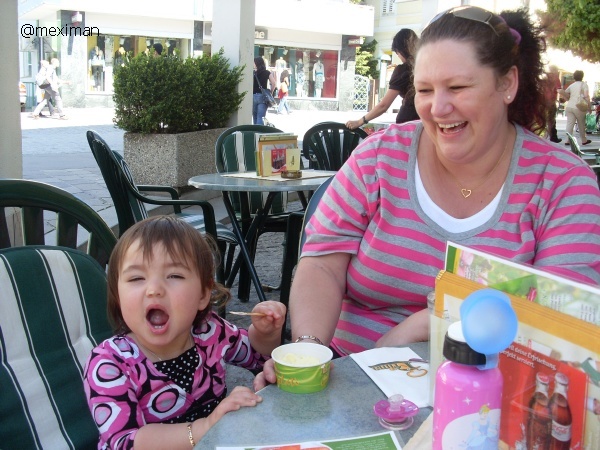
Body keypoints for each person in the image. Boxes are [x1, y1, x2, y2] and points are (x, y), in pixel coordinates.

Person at [255, 6, 600, 389]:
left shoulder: (563, 182)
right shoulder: (379, 157)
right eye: (424, 90)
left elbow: (562, 324)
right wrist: (310, 350)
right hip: (348, 379)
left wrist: (426, 324)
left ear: (507, 83)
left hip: (488, 393)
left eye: (458, 88)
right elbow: (322, 265)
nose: (438, 108)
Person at [84, 216, 285, 449]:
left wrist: (265, 334)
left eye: (174, 276)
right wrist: (205, 427)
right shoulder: (109, 364)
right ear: (118, 296)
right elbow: (125, 441)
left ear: (203, 294)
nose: (153, 290)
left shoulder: (209, 332)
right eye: (136, 278)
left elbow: (257, 358)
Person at [346, 29, 419, 130]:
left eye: (397, 53)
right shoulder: (426, 67)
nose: (398, 56)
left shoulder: (403, 71)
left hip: (407, 127)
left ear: (401, 50)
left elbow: (383, 105)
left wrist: (360, 121)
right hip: (425, 125)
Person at [559, 70, 591, 146]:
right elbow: (586, 96)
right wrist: (589, 106)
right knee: (581, 124)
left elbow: (565, 93)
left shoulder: (572, 85)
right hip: (579, 106)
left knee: (570, 124)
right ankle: (584, 140)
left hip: (569, 106)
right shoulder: (584, 85)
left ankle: (567, 140)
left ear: (574, 77)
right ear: (582, 76)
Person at [252, 56, 276, 126]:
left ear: (257, 63)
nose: (253, 64)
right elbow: (274, 83)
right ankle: (259, 131)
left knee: (255, 117)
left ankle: (255, 131)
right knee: (261, 117)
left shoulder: (253, 73)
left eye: (254, 62)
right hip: (262, 96)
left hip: (253, 96)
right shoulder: (267, 72)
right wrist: (270, 92)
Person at [543, 65, 562, 143]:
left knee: (543, 119)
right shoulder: (555, 78)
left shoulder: (544, 77)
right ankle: (552, 137)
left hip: (542, 100)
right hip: (551, 101)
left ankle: (544, 137)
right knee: (551, 120)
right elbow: (558, 89)